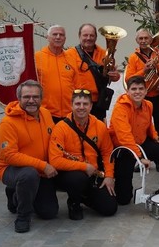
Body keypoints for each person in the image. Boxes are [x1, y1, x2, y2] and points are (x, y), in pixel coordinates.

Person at [0, 80, 58, 233]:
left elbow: (54, 139)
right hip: (12, 169)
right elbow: (9, 156)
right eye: (27, 97)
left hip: (40, 171)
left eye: (35, 97)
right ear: (19, 99)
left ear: (41, 98)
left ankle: (16, 195)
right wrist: (43, 165)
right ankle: (23, 216)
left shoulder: (45, 113)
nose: (31, 100)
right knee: (28, 175)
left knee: (49, 213)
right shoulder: (7, 123)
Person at [49, 89, 118, 220]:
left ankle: (83, 197)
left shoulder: (99, 126)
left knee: (109, 208)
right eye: (78, 104)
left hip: (92, 174)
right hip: (70, 175)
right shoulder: (60, 128)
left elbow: (108, 152)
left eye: (85, 104)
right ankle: (74, 203)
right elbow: (55, 161)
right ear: (71, 105)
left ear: (91, 106)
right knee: (78, 178)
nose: (81, 107)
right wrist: (84, 167)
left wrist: (109, 176)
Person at [109, 76, 159, 205]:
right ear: (127, 92)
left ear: (145, 91)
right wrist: (140, 158)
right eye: (134, 89)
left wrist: (155, 137)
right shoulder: (120, 108)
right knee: (123, 199)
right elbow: (124, 137)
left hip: (141, 143)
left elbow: (150, 125)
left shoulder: (148, 105)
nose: (137, 92)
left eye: (141, 89)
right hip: (123, 148)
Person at [64, 23, 121, 121]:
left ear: (96, 37)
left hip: (99, 101)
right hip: (79, 101)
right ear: (79, 36)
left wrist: (115, 76)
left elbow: (111, 75)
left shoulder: (104, 53)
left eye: (91, 35)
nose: (88, 38)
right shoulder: (69, 54)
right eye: (85, 35)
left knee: (98, 130)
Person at [124, 28, 159, 133]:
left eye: (146, 38)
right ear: (137, 41)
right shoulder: (133, 57)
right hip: (143, 96)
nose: (143, 41)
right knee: (143, 124)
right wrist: (144, 70)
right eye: (141, 38)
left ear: (151, 39)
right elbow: (129, 79)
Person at [34, 25, 75, 123]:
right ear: (47, 37)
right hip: (46, 113)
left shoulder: (71, 58)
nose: (58, 37)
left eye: (61, 35)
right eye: (54, 34)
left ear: (65, 39)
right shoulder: (36, 57)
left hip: (70, 113)